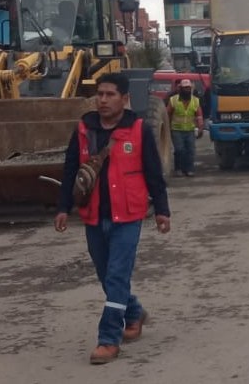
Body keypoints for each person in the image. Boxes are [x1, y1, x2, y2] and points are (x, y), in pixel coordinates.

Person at [55, 72, 171, 364]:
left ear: (125, 98)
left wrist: (162, 210)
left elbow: (153, 172)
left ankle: (108, 339)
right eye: (100, 94)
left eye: (110, 94)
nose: (103, 100)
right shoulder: (84, 129)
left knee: (117, 276)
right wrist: (62, 207)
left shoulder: (139, 129)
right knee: (106, 277)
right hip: (93, 216)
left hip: (128, 216)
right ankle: (134, 313)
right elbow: (70, 169)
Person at [167, 79, 203, 177]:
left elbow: (199, 115)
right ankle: (178, 168)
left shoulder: (195, 100)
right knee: (179, 150)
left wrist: (200, 128)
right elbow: (168, 114)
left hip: (190, 130)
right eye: (185, 88)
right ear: (181, 89)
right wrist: (167, 128)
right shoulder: (173, 100)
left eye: (189, 88)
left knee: (190, 150)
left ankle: (189, 169)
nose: (187, 90)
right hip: (176, 130)